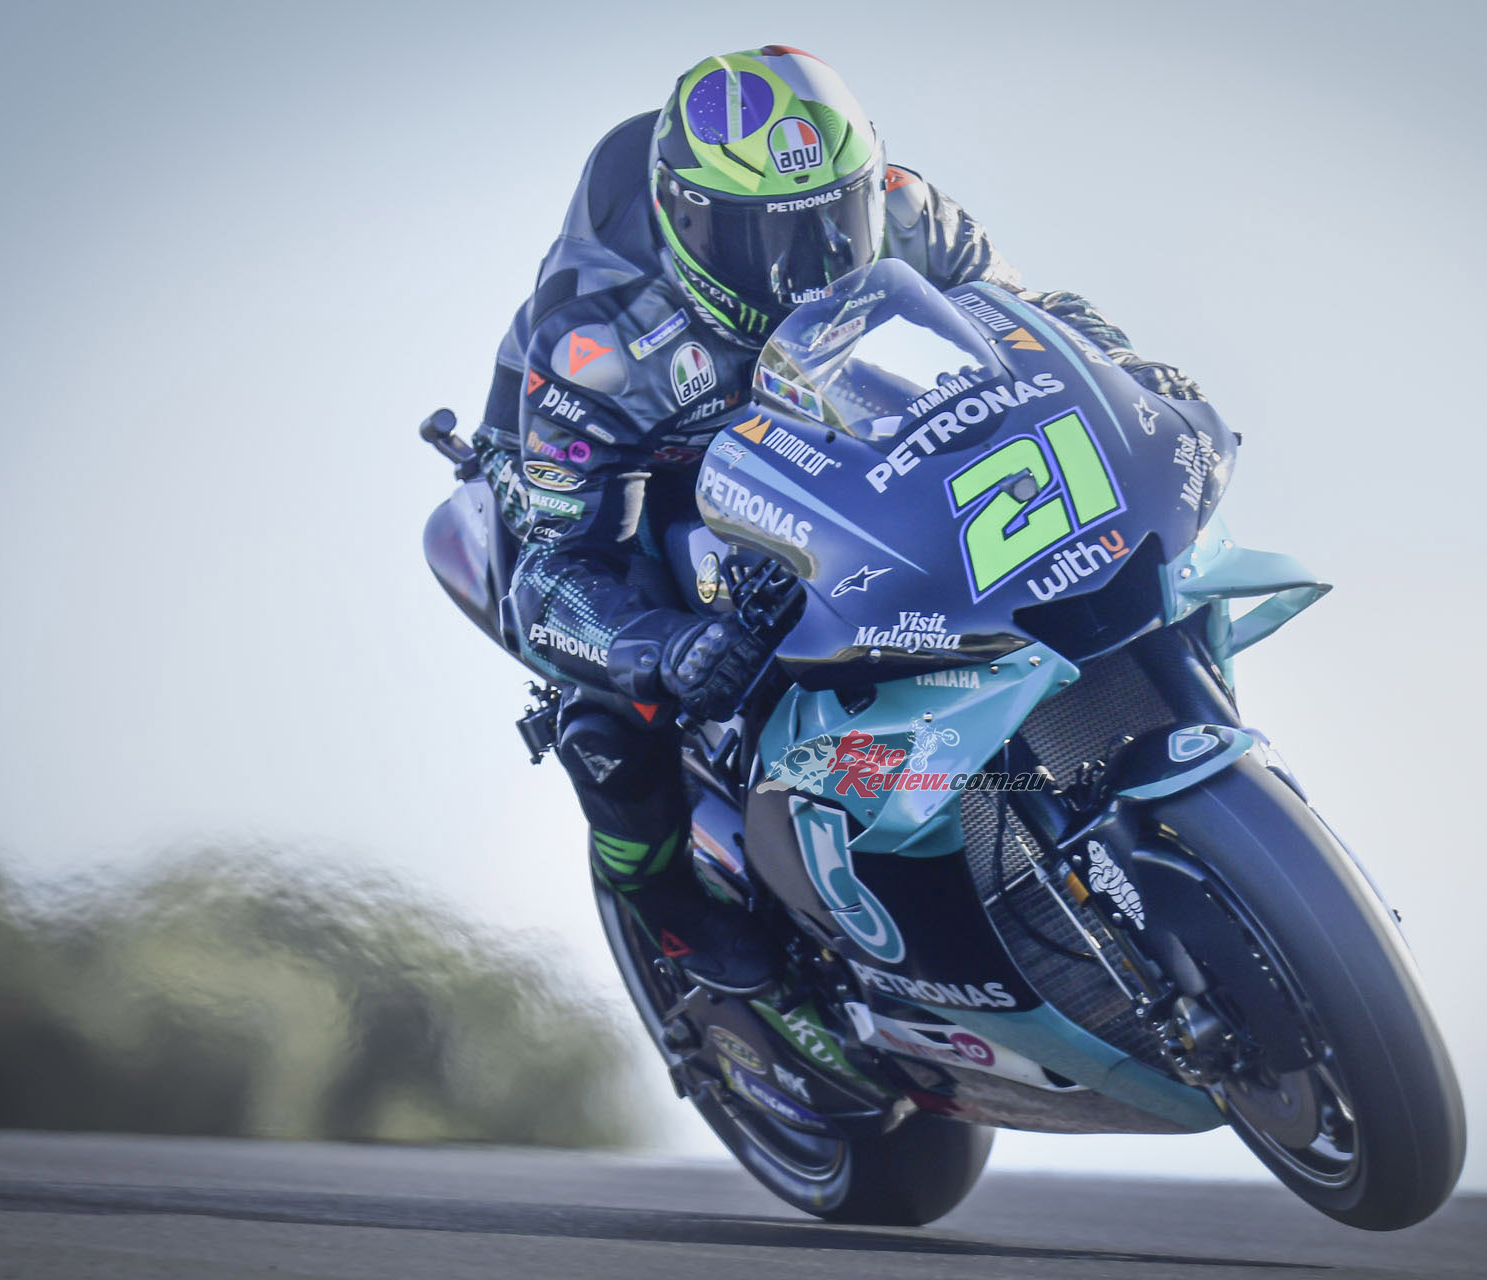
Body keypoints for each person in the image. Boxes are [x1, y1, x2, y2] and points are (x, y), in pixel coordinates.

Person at [475, 46, 1202, 994]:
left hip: (821, 416)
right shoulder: (599, 344)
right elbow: (551, 576)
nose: (810, 265)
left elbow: (1036, 323)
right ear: (686, 221)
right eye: (765, 240)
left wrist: (1127, 368)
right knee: (620, 713)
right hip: (627, 474)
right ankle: (659, 900)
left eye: (835, 219)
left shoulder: (906, 211)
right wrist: (664, 648)